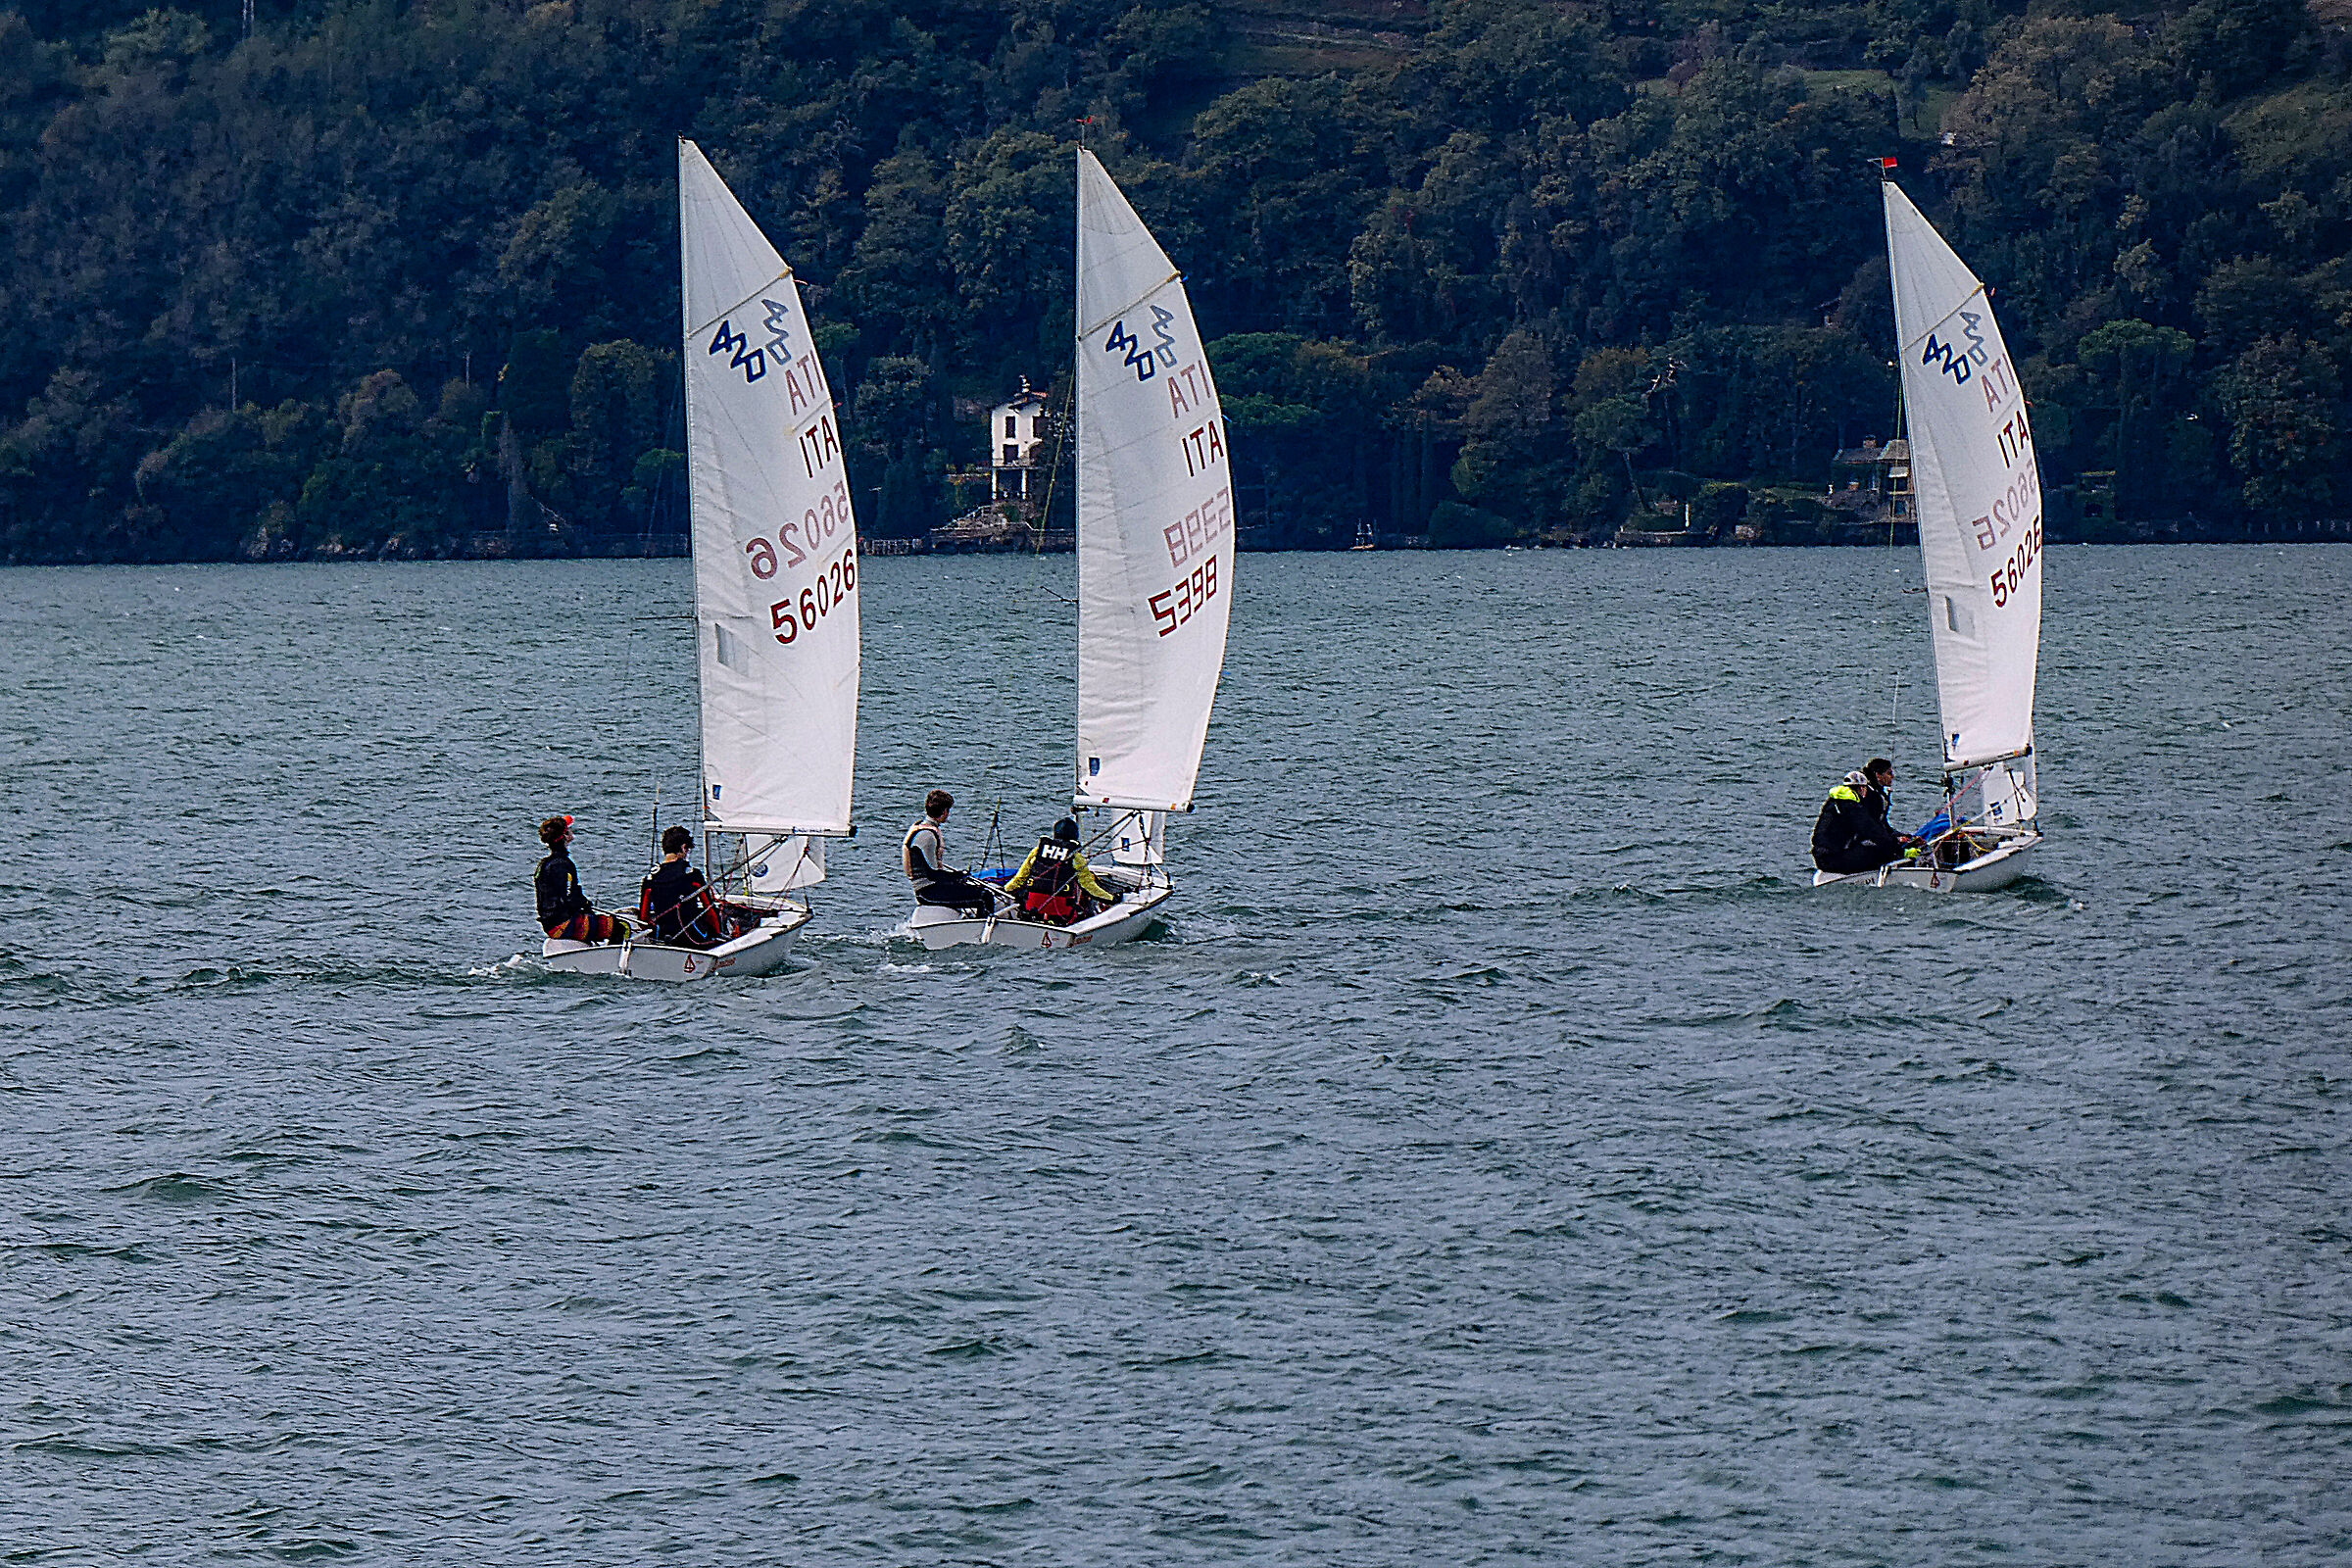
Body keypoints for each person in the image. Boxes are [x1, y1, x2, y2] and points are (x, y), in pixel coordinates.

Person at [1811, 758, 1922, 874]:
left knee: (1879, 846)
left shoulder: (1835, 802)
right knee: (1881, 852)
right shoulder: (1853, 808)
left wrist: (1897, 839)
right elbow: (1873, 831)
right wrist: (1901, 851)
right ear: (1862, 788)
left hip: (1823, 857)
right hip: (1835, 859)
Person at [536, 815, 631, 944]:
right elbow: (571, 898)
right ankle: (612, 960)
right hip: (563, 925)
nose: (573, 833)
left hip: (550, 924)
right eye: (569, 831)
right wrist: (585, 905)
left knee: (595, 920)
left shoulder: (544, 864)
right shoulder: (563, 864)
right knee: (620, 927)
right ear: (565, 837)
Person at [903, 789, 997, 918]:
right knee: (985, 896)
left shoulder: (918, 826)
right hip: (927, 892)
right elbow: (933, 874)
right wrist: (958, 876)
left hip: (929, 888)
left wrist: (957, 878)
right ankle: (981, 933)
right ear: (945, 811)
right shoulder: (928, 836)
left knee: (970, 887)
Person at [1004, 817, 1115, 926]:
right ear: (1075, 835)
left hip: (1033, 907)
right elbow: (1089, 887)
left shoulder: (1037, 851)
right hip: (1062, 912)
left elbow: (1019, 879)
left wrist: (1005, 889)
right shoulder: (1076, 857)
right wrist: (1111, 898)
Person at [638, 826, 731, 948]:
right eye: (688, 850)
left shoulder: (650, 878)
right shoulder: (693, 875)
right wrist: (719, 933)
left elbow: (643, 918)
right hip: (692, 938)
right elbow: (710, 911)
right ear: (683, 847)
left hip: (662, 937)